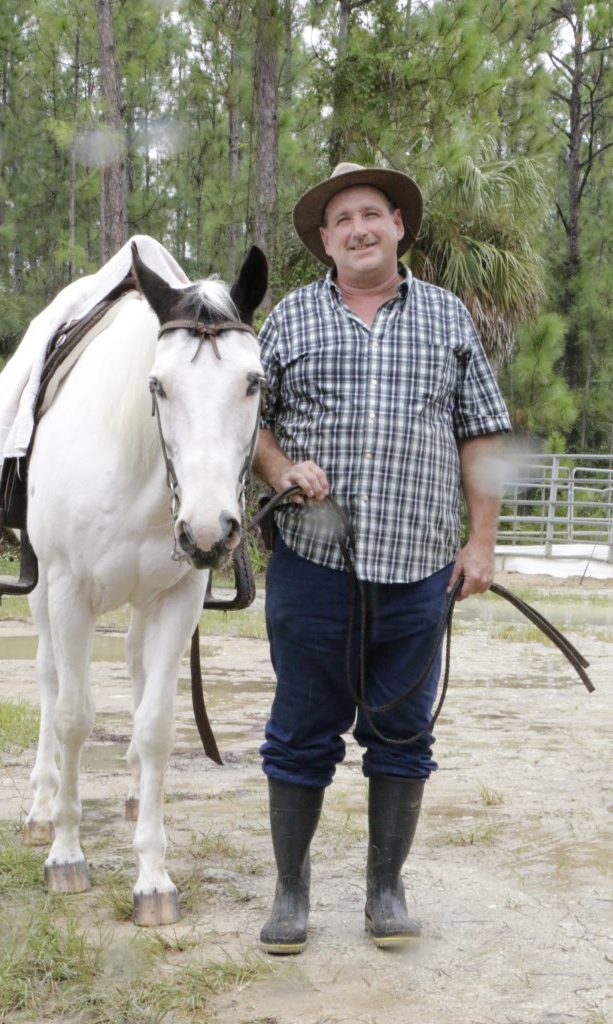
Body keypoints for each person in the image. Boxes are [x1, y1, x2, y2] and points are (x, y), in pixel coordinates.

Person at [252, 162, 512, 955]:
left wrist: (481, 543)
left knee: (401, 734)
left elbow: (481, 432)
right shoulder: (289, 318)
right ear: (324, 240)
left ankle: (385, 889)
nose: (358, 228)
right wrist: (279, 468)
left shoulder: (446, 317)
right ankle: (290, 892)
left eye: (371, 213)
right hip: (311, 564)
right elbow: (249, 422)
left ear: (398, 225)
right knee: (300, 730)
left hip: (418, 566)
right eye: (342, 220)